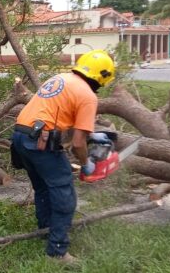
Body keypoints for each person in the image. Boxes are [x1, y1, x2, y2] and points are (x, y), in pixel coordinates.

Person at [10, 49, 116, 263]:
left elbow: (58, 117)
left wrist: (90, 133)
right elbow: (77, 144)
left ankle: (46, 230)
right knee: (64, 194)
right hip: (39, 142)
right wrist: (86, 164)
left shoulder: (61, 78)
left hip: (20, 137)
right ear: (102, 78)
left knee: (42, 188)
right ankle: (57, 251)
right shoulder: (88, 96)